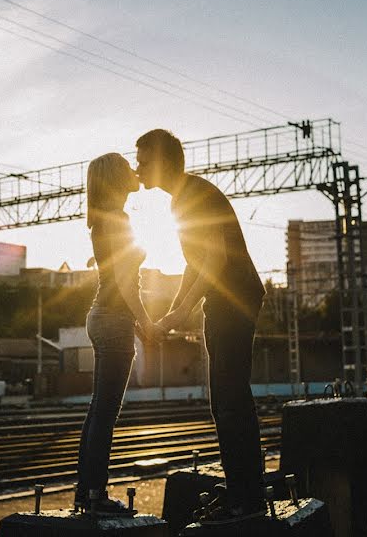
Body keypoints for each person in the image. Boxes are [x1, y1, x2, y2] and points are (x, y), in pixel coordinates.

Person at [135, 129, 267, 525]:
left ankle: (246, 497)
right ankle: (246, 487)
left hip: (235, 299)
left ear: (161, 162)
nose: (137, 168)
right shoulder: (184, 197)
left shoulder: (194, 196)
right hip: (227, 300)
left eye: (142, 160)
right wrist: (173, 312)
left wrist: (177, 315)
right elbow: (197, 265)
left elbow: (216, 263)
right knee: (226, 399)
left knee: (229, 400)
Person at [74, 152, 162, 514]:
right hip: (113, 319)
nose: (134, 170)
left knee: (98, 412)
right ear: (114, 177)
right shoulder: (118, 220)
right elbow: (127, 283)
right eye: (126, 166)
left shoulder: (103, 221)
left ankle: (86, 494)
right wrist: (146, 322)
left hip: (101, 316)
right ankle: (95, 496)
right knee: (105, 414)